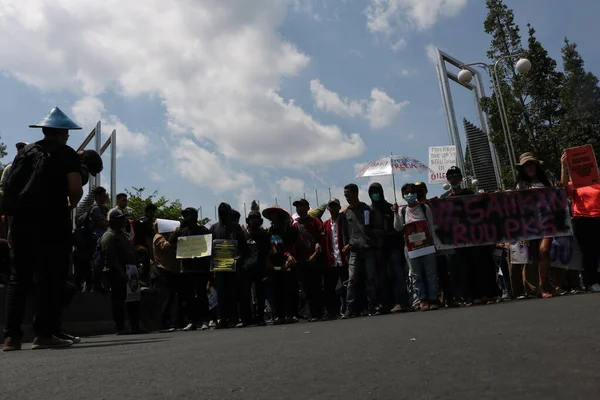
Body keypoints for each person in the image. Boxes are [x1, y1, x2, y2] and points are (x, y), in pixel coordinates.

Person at [3, 107, 83, 351]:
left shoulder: (25, 152)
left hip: (20, 222)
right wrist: (70, 206)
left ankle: (11, 337)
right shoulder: (66, 153)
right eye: (67, 132)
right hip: (50, 221)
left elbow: (9, 186)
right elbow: (75, 189)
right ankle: (44, 333)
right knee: (50, 277)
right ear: (61, 132)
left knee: (19, 279)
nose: (68, 136)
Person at [515, 153, 555, 298]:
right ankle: (536, 288)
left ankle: (543, 286)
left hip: (547, 222)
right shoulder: (520, 185)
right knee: (532, 256)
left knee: (544, 251)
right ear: (523, 169)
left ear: (536, 166)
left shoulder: (547, 183)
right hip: (530, 224)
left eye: (532, 164)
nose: (530, 168)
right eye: (526, 166)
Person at [393, 183, 439, 311]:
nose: (409, 195)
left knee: (431, 273)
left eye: (412, 192)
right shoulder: (402, 211)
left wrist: (435, 244)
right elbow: (397, 228)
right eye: (406, 193)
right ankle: (422, 299)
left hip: (427, 246)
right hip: (411, 248)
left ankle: (433, 298)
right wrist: (395, 213)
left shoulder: (424, 208)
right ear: (403, 195)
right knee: (416, 275)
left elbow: (431, 226)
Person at [560, 152, 600, 293]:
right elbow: (563, 187)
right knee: (589, 253)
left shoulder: (598, 183)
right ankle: (592, 282)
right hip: (583, 220)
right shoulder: (576, 184)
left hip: (598, 218)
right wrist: (563, 165)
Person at [368, 182, 410, 314]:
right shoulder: (368, 211)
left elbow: (398, 227)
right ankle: (385, 304)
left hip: (393, 246)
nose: (375, 194)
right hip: (379, 248)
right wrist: (376, 233)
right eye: (372, 192)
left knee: (398, 274)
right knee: (381, 277)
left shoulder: (390, 207)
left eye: (377, 191)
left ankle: (402, 302)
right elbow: (366, 229)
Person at [98, 209, 140, 335]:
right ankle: (120, 327)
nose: (123, 221)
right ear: (113, 221)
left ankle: (134, 326)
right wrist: (122, 273)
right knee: (118, 301)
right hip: (116, 273)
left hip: (129, 272)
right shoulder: (109, 236)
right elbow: (111, 257)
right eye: (120, 219)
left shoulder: (122, 234)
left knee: (132, 300)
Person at [169, 207, 212, 331]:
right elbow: (171, 241)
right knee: (188, 297)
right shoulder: (183, 231)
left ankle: (204, 320)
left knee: (201, 295)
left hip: (200, 269)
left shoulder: (203, 230)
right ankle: (191, 321)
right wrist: (179, 229)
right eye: (185, 216)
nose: (187, 218)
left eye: (189, 215)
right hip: (187, 269)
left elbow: (209, 247)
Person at [340, 183, 378, 318]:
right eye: (345, 196)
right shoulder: (345, 213)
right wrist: (347, 246)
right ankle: (350, 308)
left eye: (348, 195)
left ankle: (371, 305)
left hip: (368, 248)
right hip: (353, 250)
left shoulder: (366, 209)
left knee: (370, 278)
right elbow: (345, 233)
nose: (347, 198)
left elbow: (372, 227)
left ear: (356, 194)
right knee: (352, 278)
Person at [210, 203, 247, 329]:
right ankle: (223, 319)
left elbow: (244, 248)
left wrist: (239, 258)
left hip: (234, 267)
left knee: (234, 293)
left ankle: (234, 318)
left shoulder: (236, 228)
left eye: (225, 210)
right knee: (221, 294)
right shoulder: (214, 228)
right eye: (220, 210)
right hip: (219, 267)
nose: (222, 212)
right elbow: (210, 249)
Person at [262, 205, 299, 325]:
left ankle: (290, 314)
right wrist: (267, 261)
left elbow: (294, 246)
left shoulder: (290, 230)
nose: (273, 216)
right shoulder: (268, 231)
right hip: (274, 265)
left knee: (289, 290)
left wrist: (289, 258)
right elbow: (267, 249)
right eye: (271, 214)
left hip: (288, 263)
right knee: (276, 290)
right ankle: (279, 315)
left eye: (275, 213)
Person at [292, 198, 325, 322]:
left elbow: (322, 237)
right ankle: (310, 313)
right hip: (301, 261)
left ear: (307, 207)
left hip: (314, 260)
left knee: (316, 287)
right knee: (305, 288)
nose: (299, 209)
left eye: (301, 206)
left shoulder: (315, 221)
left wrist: (317, 251)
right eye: (297, 207)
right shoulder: (295, 225)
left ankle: (318, 313)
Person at [238, 210, 270, 327]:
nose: (254, 220)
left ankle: (260, 318)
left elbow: (267, 251)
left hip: (260, 268)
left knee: (260, 295)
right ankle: (246, 319)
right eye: (252, 218)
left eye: (257, 218)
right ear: (248, 221)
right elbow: (238, 250)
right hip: (245, 269)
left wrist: (267, 264)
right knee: (245, 295)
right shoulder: (242, 235)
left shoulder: (264, 235)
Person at [153, 221, 184, 331]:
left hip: (172, 269)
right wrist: (174, 235)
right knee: (168, 296)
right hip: (164, 269)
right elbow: (165, 246)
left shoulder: (165, 236)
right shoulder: (158, 237)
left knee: (173, 296)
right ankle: (164, 321)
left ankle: (174, 321)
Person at [321, 198, 348, 319]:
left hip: (344, 258)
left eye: (335, 206)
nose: (332, 208)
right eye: (330, 206)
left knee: (347, 285)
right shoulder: (325, 224)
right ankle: (332, 311)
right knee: (329, 288)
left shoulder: (345, 221)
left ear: (339, 207)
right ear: (328, 208)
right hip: (331, 260)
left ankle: (349, 309)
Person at [134, 203, 157, 284]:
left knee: (139, 271)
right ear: (151, 211)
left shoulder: (137, 219)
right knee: (146, 273)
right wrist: (152, 255)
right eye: (153, 212)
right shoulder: (148, 222)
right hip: (145, 250)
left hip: (136, 248)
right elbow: (149, 239)